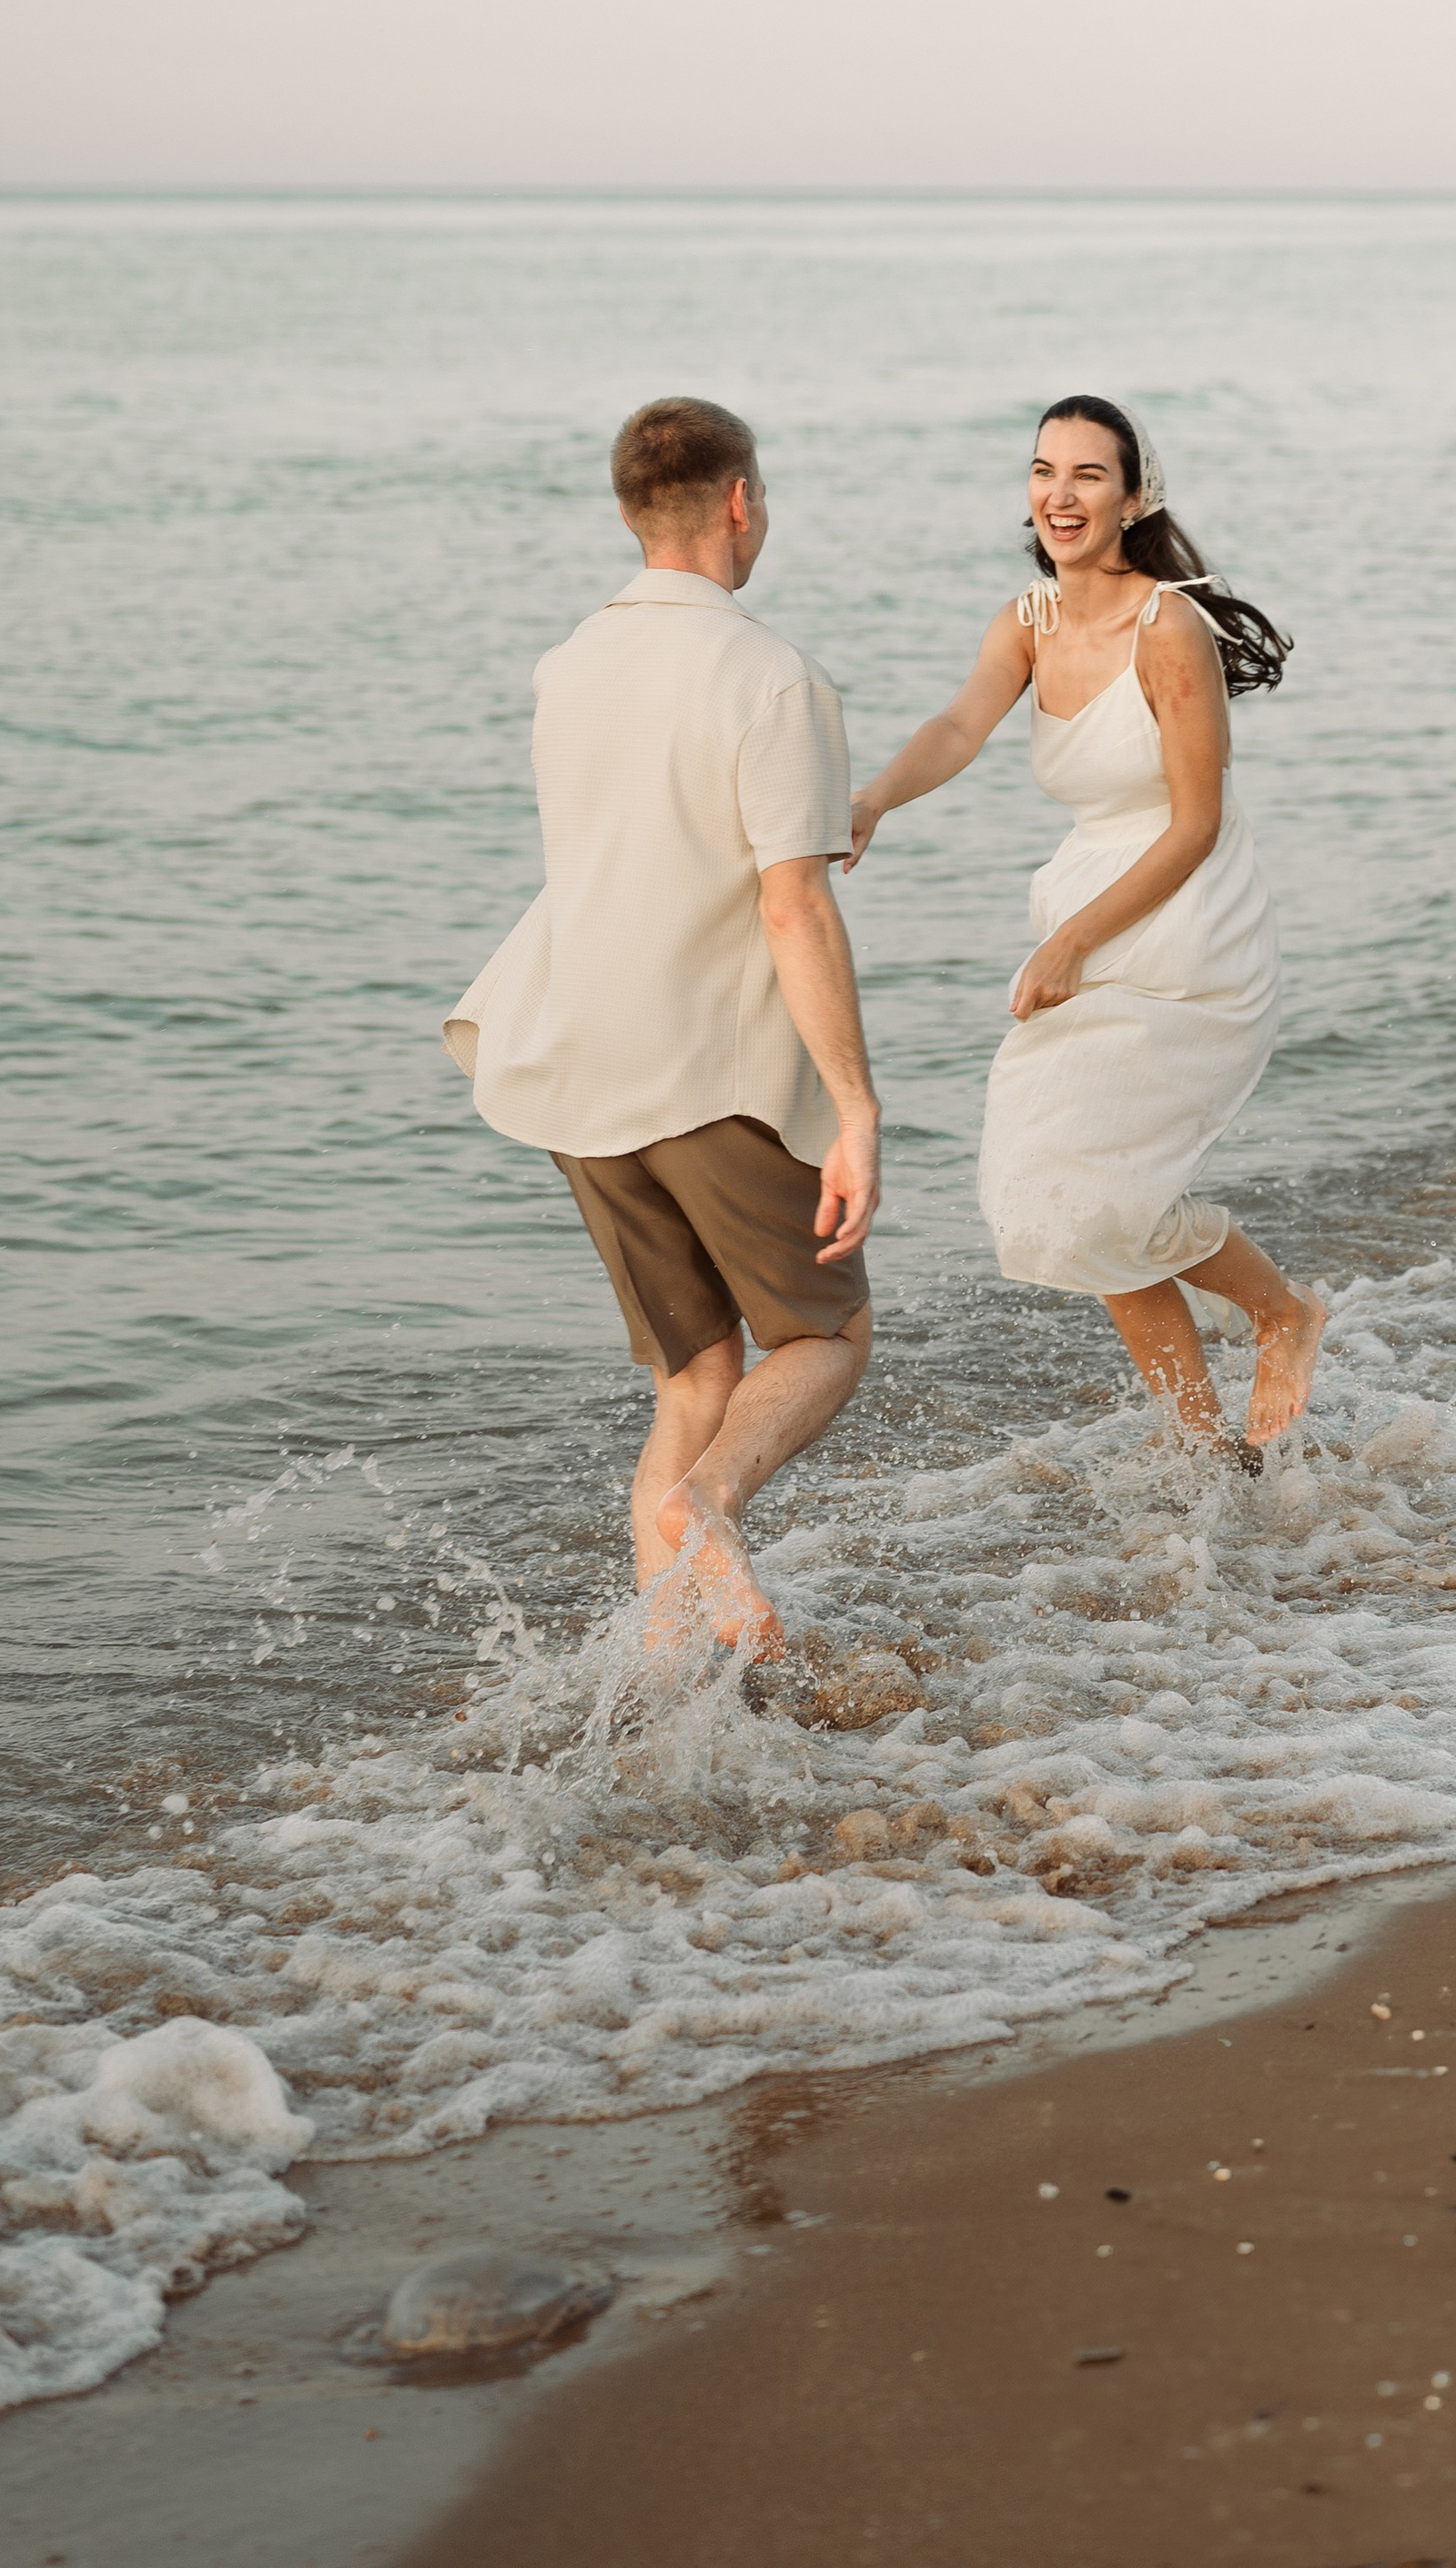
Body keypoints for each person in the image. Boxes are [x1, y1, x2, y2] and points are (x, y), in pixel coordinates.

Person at [445, 398, 877, 1660]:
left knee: (693, 1377)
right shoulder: (770, 673)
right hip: (709, 1072)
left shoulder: (567, 665)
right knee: (824, 1335)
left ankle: (670, 1689)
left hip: (574, 1059)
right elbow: (792, 909)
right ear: (741, 500)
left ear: (631, 512)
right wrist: (855, 1111)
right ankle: (714, 1506)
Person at [847, 395, 1322, 1458]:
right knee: (1061, 1191)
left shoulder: (1170, 628)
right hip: (1087, 900)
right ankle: (1204, 1453)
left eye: (1088, 475)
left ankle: (1283, 1312)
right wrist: (873, 798)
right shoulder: (1029, 619)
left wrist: (1070, 942)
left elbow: (1194, 825)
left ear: (1133, 496)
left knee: (1112, 1190)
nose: (1059, 495)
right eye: (1042, 470)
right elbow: (960, 722)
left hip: (1186, 921)